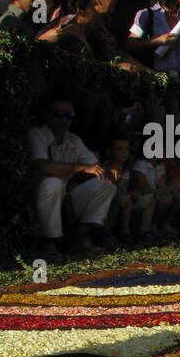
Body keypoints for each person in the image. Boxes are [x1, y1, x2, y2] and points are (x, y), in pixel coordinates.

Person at [29, 96, 118, 259]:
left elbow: (96, 166)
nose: (65, 121)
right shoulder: (37, 135)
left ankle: (80, 238)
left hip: (67, 197)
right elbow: (42, 167)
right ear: (48, 115)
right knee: (52, 183)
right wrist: (81, 168)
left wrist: (110, 170)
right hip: (39, 197)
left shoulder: (74, 140)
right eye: (59, 115)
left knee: (106, 183)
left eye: (69, 116)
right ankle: (51, 242)